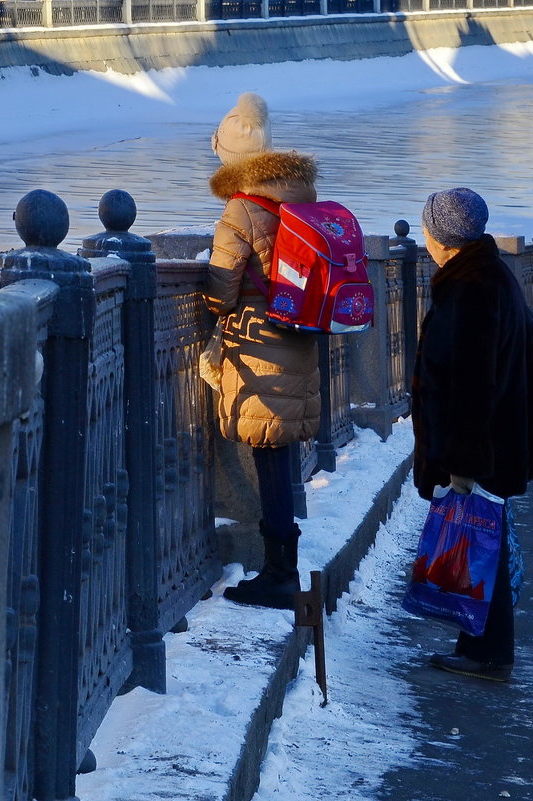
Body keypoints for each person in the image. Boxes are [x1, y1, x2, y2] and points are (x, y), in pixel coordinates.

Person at [411, 187, 533, 681]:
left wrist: (462, 464)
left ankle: (488, 655)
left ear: (441, 235)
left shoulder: (472, 288)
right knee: (485, 541)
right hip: (496, 438)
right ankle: (481, 647)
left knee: (483, 543)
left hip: (482, 444)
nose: (423, 235)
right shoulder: (485, 276)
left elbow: (472, 381)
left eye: (426, 227)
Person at [203, 92, 321, 610]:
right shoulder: (300, 199)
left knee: (269, 453)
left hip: (258, 347)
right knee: (280, 451)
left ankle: (279, 574)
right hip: (298, 338)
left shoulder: (241, 207)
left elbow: (222, 286)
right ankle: (282, 566)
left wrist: (209, 304)